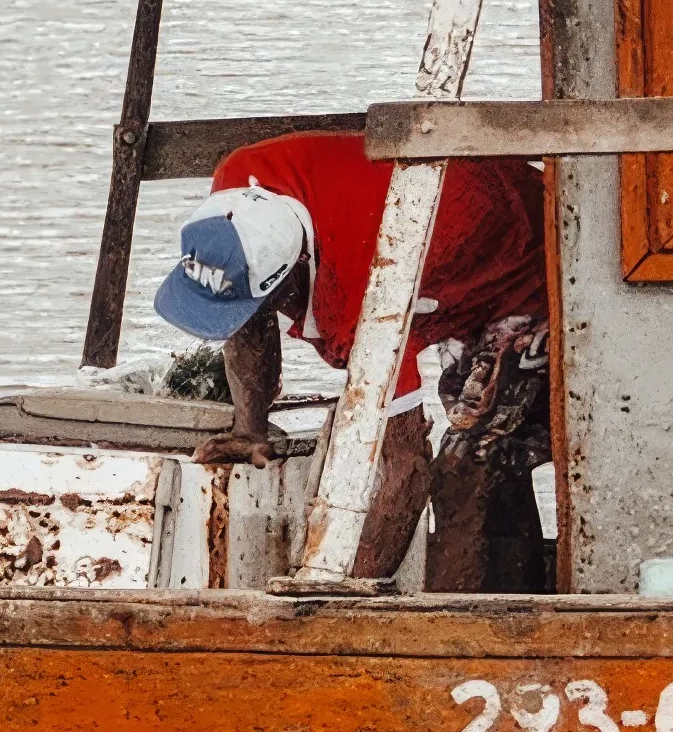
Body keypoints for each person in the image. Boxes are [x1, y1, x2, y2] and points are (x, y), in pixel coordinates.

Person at [152, 128, 551, 593]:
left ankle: (491, 618)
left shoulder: (366, 293)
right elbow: (247, 312)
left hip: (535, 253)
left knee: (470, 465)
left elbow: (405, 464)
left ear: (296, 270)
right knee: (477, 440)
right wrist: (250, 429)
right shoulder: (233, 190)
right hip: (449, 237)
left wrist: (340, 593)